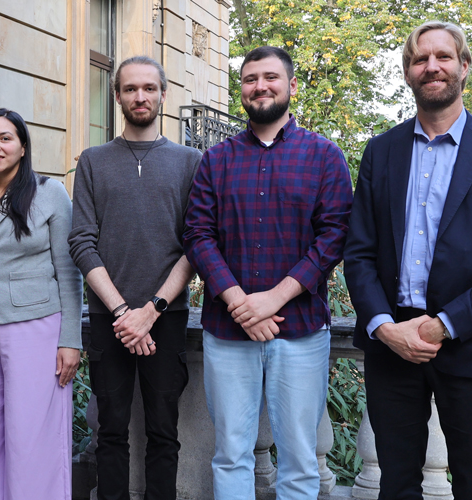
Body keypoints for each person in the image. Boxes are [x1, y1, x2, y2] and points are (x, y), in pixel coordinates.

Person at [343, 21, 472, 499]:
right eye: (418, 59)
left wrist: (440, 326)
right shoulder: (381, 151)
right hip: (391, 346)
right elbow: (359, 252)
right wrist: (384, 327)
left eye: (443, 57)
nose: (431, 66)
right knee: (396, 484)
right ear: (408, 74)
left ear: (464, 66)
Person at [183, 46, 353, 499]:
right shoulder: (215, 161)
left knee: (299, 457)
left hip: (299, 331)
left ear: (292, 86)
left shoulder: (324, 156)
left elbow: (333, 237)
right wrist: (240, 302)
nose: (260, 86)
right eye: (250, 79)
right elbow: (197, 234)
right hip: (227, 330)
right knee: (231, 454)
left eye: (271, 77)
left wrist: (273, 299)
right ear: (241, 89)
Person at [68, 55, 201, 500]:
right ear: (117, 95)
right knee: (110, 432)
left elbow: (196, 244)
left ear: (164, 94)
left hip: (166, 316)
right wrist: (125, 312)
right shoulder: (92, 160)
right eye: (130, 89)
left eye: (148, 88)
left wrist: (151, 310)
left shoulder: (190, 161)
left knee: (164, 433)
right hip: (110, 319)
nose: (139, 96)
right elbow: (82, 242)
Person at [0, 108, 82, 500]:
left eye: (5, 138)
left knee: (30, 430)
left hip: (34, 325)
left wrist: (69, 339)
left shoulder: (50, 193)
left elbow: (68, 272)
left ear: (23, 147)